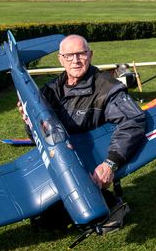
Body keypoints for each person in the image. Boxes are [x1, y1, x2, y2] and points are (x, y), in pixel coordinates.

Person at [18, 34, 146, 214]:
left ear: (91, 55)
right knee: (45, 218)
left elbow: (133, 121)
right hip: (62, 159)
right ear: (61, 60)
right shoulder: (49, 91)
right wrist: (30, 123)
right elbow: (38, 136)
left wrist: (110, 163)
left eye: (81, 54)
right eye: (69, 56)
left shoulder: (107, 88)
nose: (76, 60)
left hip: (90, 159)